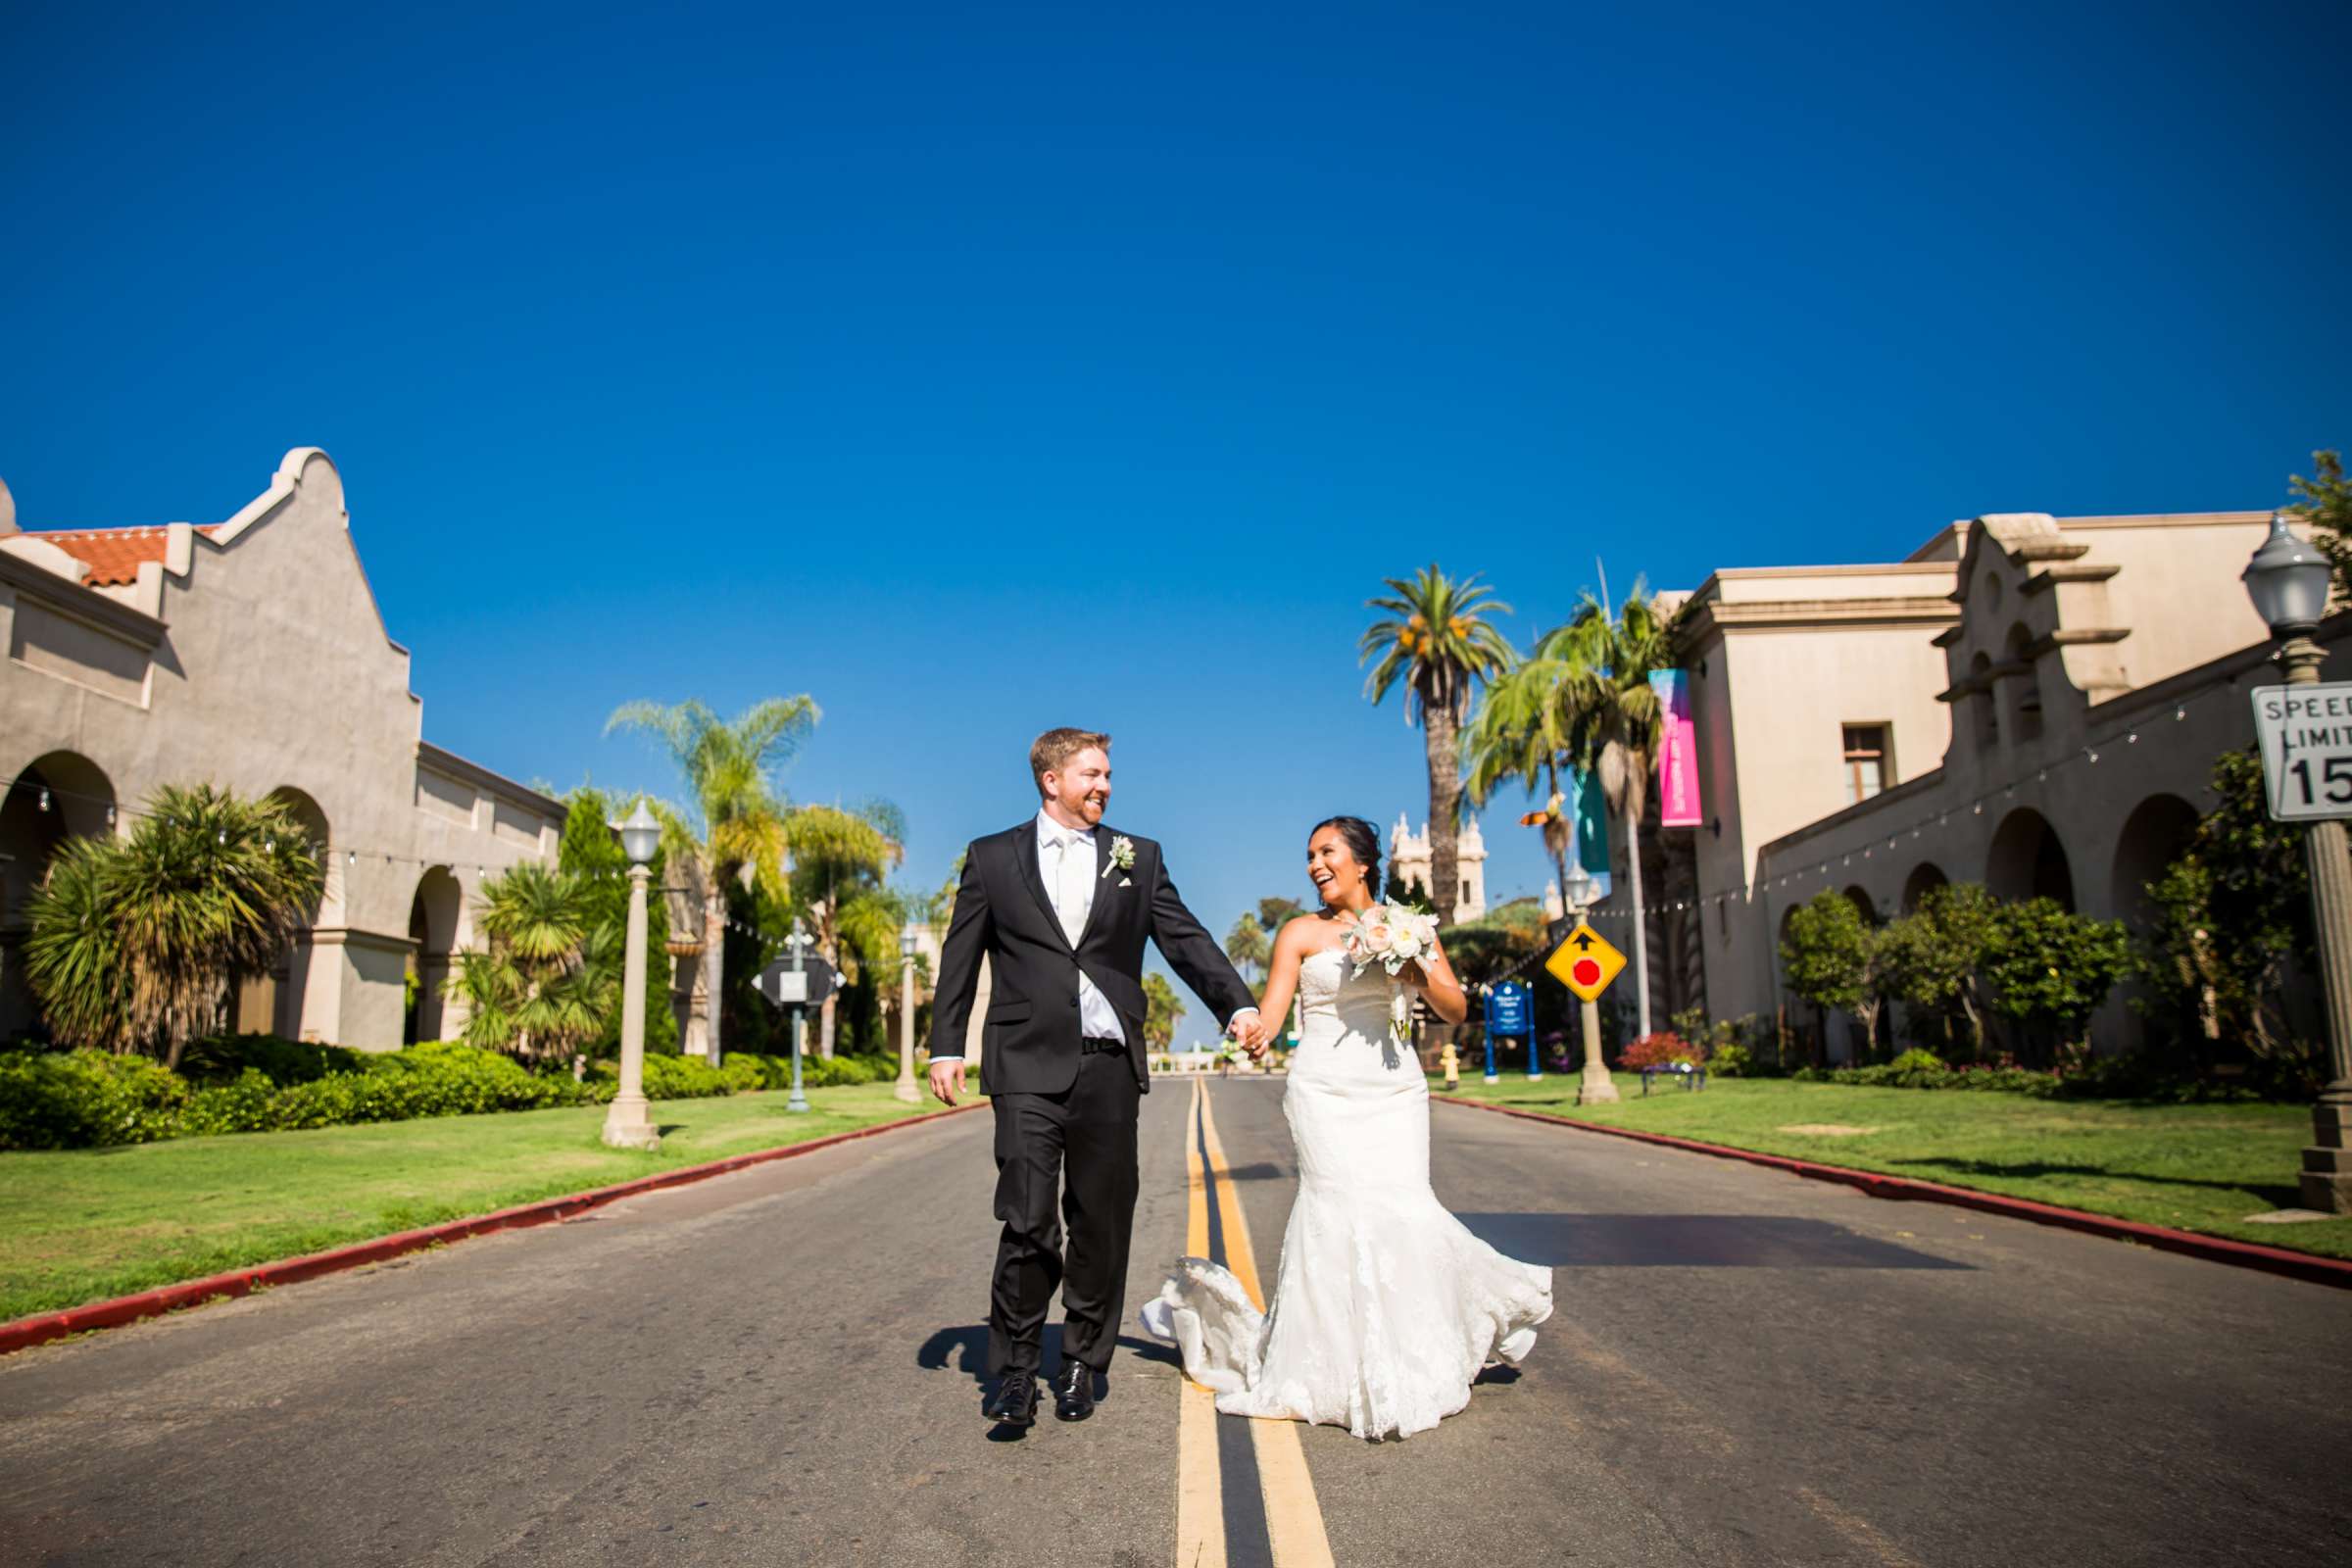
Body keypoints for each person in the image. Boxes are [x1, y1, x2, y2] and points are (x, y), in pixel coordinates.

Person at [1142, 815, 1552, 1441]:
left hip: (1394, 1089)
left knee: (1404, 1211)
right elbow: (1274, 1015)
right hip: (1324, 1090)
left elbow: (1455, 1008)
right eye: (1309, 855)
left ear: (1362, 862)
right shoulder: (1300, 933)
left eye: (1326, 851)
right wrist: (1249, 1028)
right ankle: (1326, 1366)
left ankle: (1413, 1354)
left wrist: (1413, 967)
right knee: (1333, 1211)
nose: (1314, 864)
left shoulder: (1412, 927)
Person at [926, 728, 1261, 1427]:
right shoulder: (991, 858)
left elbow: (1184, 938)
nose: (1104, 784)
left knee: (1101, 1222)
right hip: (1023, 1061)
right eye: (1091, 773)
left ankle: (1081, 1359)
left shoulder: (1137, 858)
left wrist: (1237, 1004)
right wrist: (945, 1045)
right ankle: (1016, 1370)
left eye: (1108, 773)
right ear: (1051, 780)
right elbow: (961, 955)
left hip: (1107, 1065)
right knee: (1025, 1219)